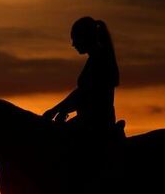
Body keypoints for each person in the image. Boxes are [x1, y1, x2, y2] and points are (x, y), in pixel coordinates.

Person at [42, 16, 124, 146]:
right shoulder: (99, 58)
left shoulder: (99, 60)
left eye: (75, 38)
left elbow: (84, 94)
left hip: (94, 124)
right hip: (93, 120)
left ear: (85, 37)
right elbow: (81, 93)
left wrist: (55, 110)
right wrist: (61, 110)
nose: (73, 44)